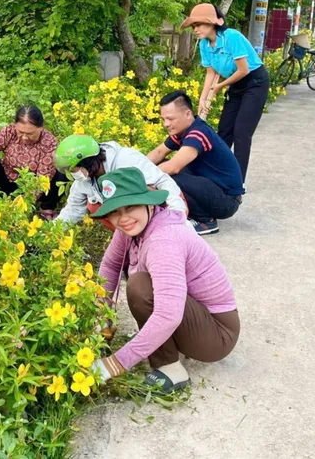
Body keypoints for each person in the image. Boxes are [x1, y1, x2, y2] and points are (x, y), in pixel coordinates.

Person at [89, 167, 239, 393]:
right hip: (192, 316)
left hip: (217, 334)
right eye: (115, 211)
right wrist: (103, 314)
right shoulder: (131, 227)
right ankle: (162, 343)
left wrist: (115, 363)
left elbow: (168, 316)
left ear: (149, 203)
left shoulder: (164, 239)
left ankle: (170, 367)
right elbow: (110, 266)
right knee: (141, 284)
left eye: (131, 207)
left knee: (139, 286)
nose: (123, 218)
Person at [182, 3, 269, 182]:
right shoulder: (204, 45)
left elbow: (243, 70)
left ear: (212, 23)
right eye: (193, 26)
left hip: (255, 82)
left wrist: (220, 87)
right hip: (235, 85)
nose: (195, 29)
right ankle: (217, 174)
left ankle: (237, 182)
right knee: (224, 131)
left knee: (241, 133)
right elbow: (211, 73)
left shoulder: (232, 37)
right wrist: (203, 98)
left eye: (199, 25)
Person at [147, 91, 244, 235]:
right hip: (212, 188)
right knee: (160, 166)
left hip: (227, 201)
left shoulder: (199, 133)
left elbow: (173, 167)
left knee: (168, 175)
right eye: (163, 119)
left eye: (170, 119)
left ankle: (205, 220)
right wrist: (135, 169)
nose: (166, 124)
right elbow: (159, 153)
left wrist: (140, 178)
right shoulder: (182, 132)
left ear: (187, 114)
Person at [53, 134, 188, 227]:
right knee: (95, 205)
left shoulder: (126, 160)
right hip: (132, 221)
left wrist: (177, 215)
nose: (72, 174)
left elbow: (163, 182)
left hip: (164, 207)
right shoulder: (85, 180)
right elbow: (72, 210)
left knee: (145, 191)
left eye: (73, 169)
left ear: (86, 162)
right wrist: (47, 232)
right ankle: (133, 241)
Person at [0, 105, 66, 219]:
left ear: (41, 128)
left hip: (33, 186)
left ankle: (46, 207)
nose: (25, 137)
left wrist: (22, 203)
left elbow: (42, 181)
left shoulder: (49, 143)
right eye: (21, 132)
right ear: (15, 125)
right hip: (7, 182)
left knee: (62, 171)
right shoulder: (9, 132)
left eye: (30, 133)